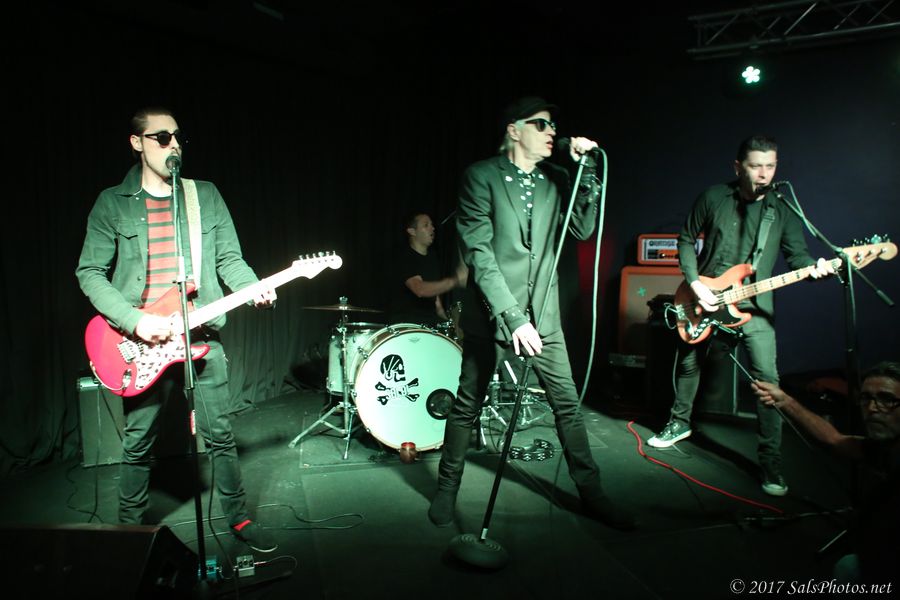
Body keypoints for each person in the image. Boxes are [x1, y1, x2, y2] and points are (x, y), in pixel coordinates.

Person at [76, 107, 277, 553]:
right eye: (161, 137)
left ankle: (239, 517)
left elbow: (229, 259)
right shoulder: (112, 203)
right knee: (138, 443)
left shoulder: (203, 196)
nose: (173, 145)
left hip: (200, 334)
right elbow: (89, 271)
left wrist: (253, 288)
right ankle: (129, 535)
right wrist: (135, 321)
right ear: (137, 142)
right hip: (140, 341)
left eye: (177, 137)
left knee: (221, 435)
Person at [428, 96, 635, 530]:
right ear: (514, 130)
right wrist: (512, 317)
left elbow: (583, 228)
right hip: (493, 315)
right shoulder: (481, 176)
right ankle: (446, 489)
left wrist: (587, 173)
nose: (551, 131)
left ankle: (593, 494)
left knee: (568, 406)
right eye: (541, 124)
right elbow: (479, 253)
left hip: (544, 315)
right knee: (467, 405)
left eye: (553, 125)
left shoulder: (557, 178)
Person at [647, 135, 834, 497]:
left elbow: (798, 257)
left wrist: (816, 268)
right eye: (755, 166)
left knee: (767, 381)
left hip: (754, 305)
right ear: (737, 167)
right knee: (689, 364)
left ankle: (770, 461)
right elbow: (685, 239)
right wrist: (695, 283)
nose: (764, 174)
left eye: (770, 166)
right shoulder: (714, 197)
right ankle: (679, 423)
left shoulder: (782, 209)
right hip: (703, 297)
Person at [752, 362, 900, 582]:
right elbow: (835, 439)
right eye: (866, 398)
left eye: (887, 399)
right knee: (847, 567)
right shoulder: (882, 447)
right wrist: (785, 400)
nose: (872, 408)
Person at [389, 211, 466, 327]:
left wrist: (448, 324)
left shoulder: (433, 258)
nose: (433, 228)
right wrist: (455, 281)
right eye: (426, 225)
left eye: (432, 224)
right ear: (412, 231)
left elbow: (436, 302)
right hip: (407, 325)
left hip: (429, 324)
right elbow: (420, 289)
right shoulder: (404, 257)